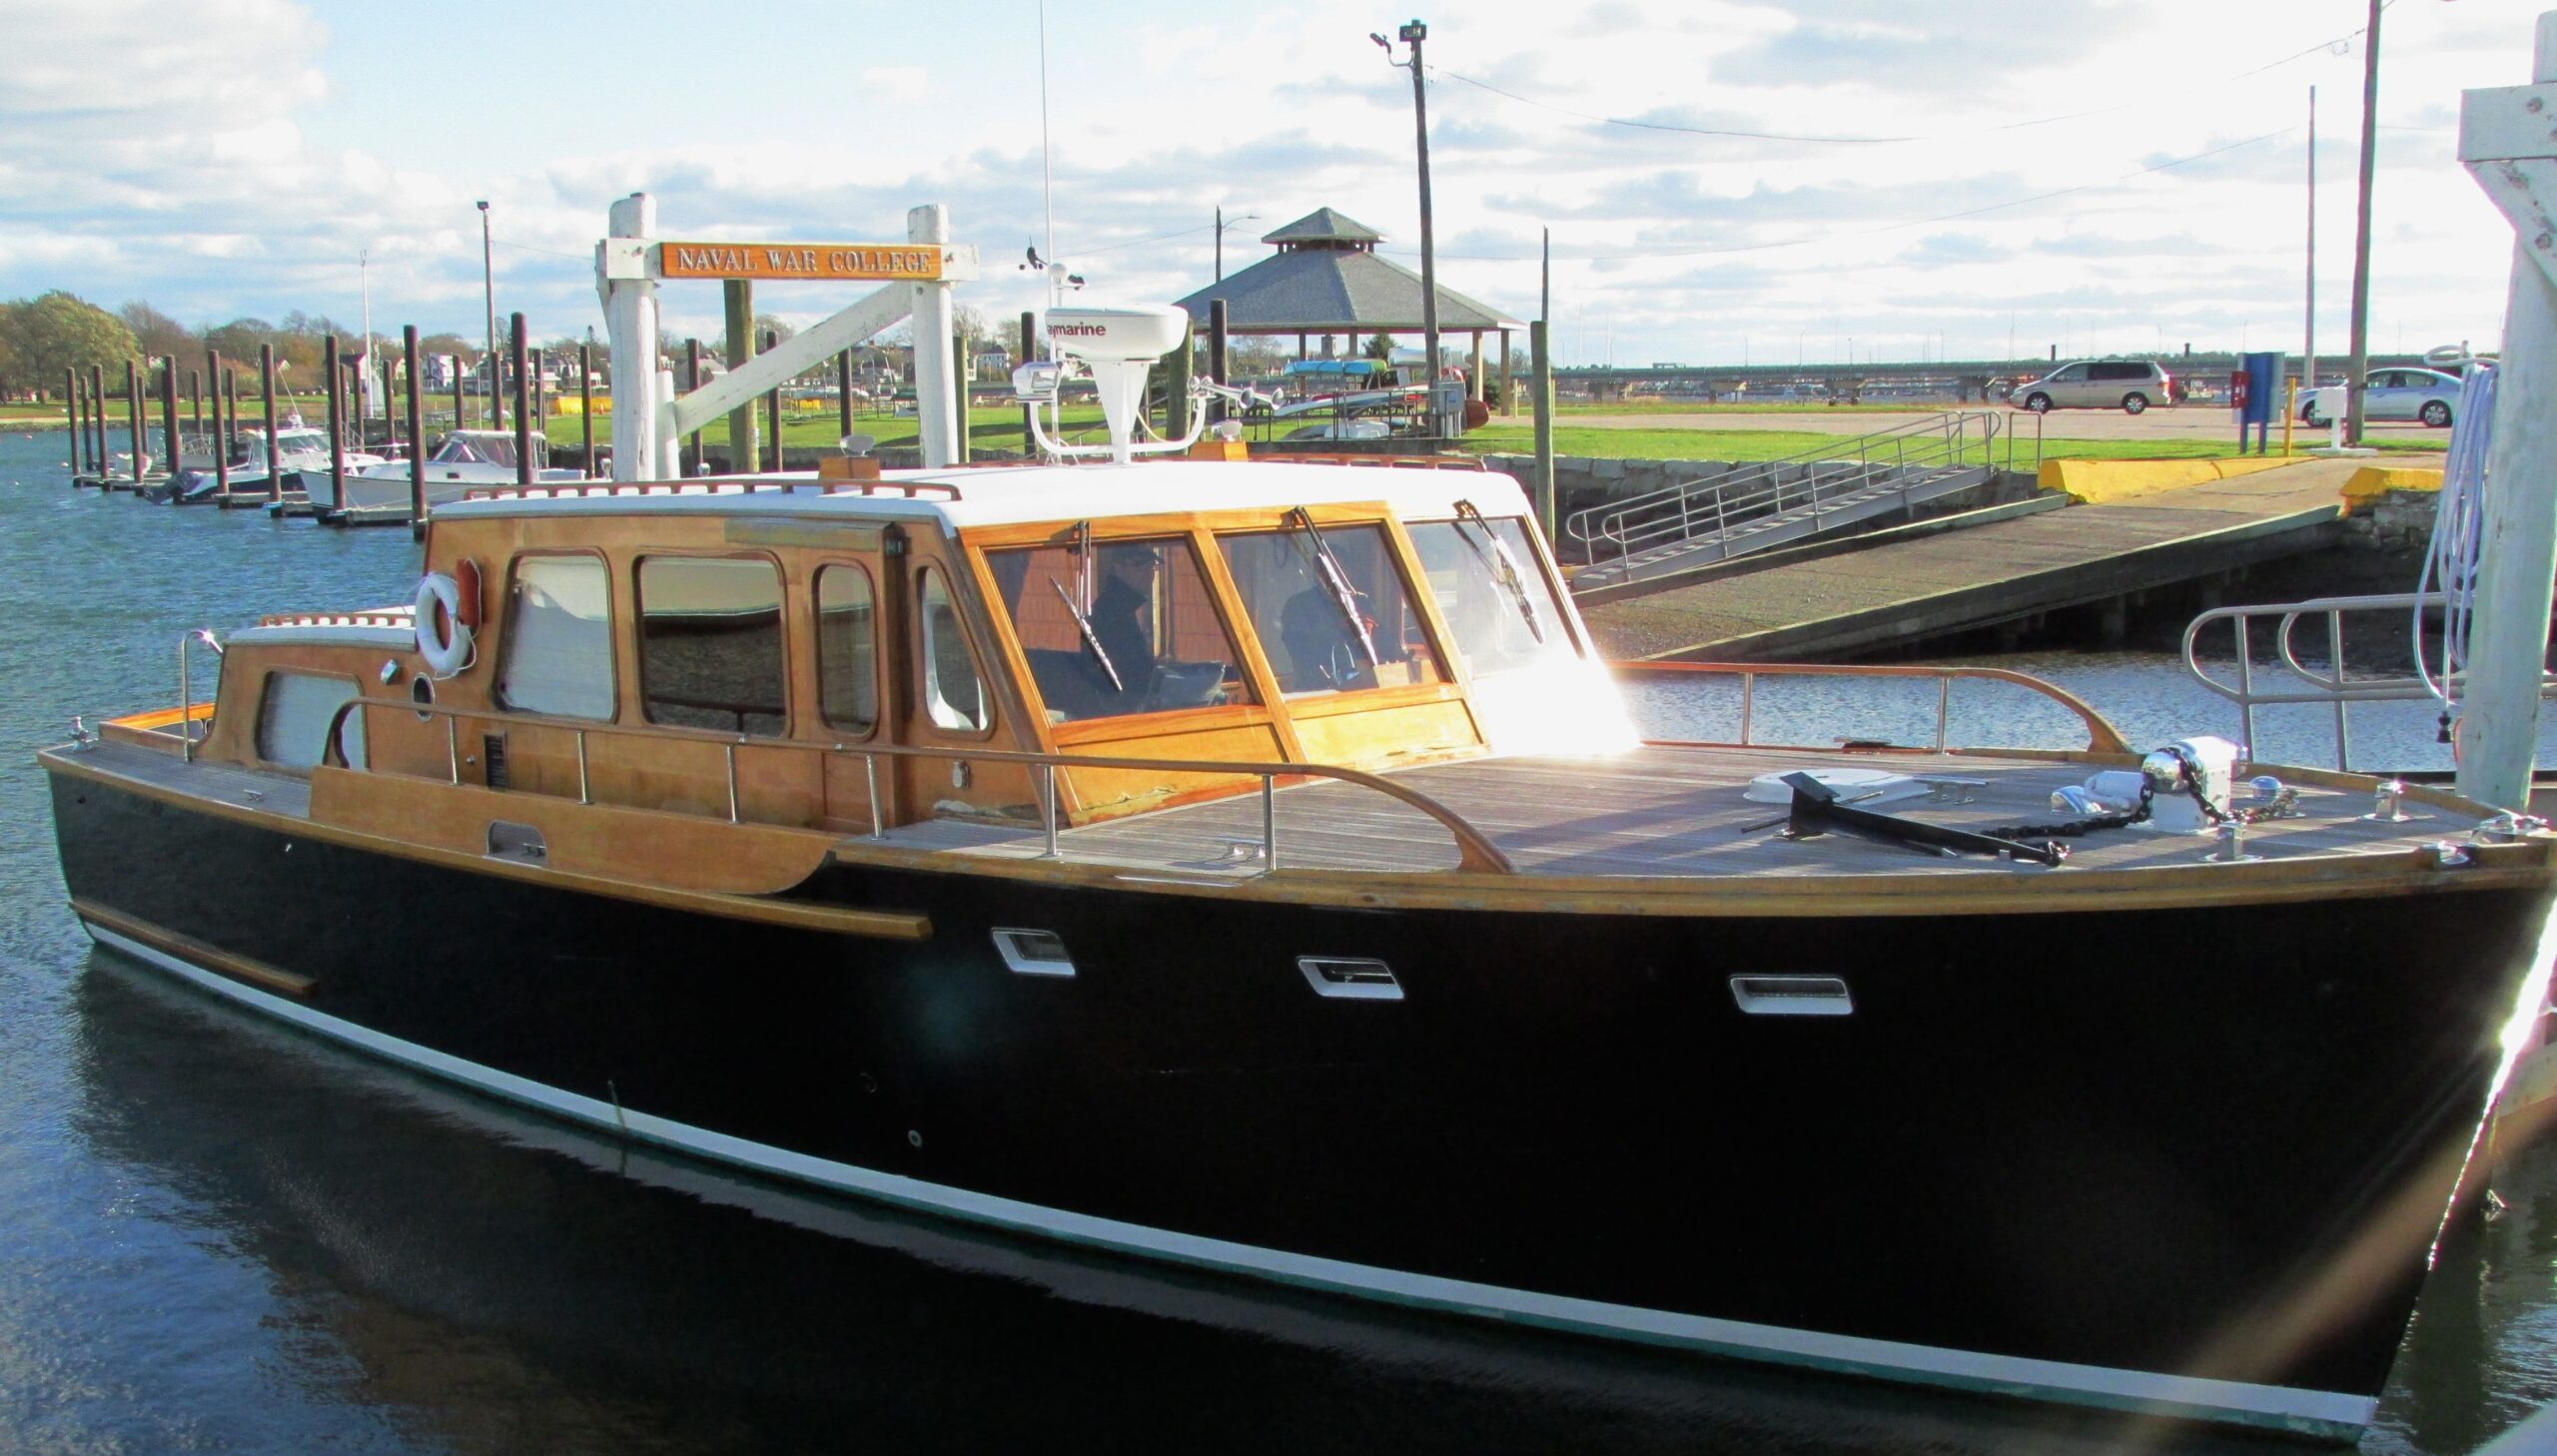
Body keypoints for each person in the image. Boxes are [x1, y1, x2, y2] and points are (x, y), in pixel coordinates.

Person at [1090, 544, 1162, 698]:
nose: (1148, 572)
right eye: (1139, 563)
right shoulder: (1111, 613)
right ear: (1118, 567)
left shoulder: (1125, 610)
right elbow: (1131, 675)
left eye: (1152, 564)